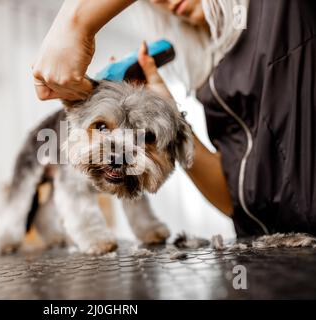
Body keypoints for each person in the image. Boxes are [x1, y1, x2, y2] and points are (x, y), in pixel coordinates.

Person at [32, 0, 316, 236]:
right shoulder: (212, 77)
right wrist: (169, 118)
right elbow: (236, 199)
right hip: (269, 253)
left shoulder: (281, 11)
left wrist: (74, 24)